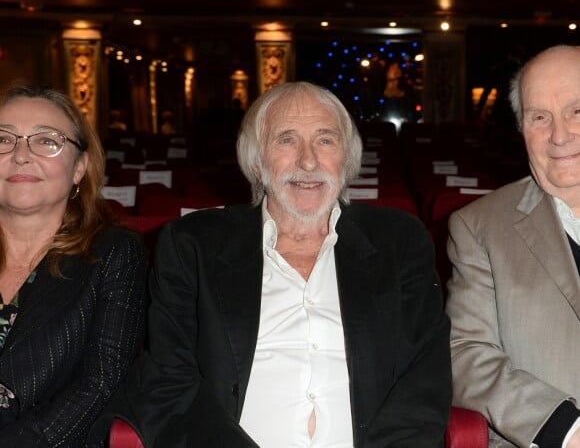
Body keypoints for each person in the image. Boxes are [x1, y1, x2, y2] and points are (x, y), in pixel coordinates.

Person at [96, 81, 452, 447]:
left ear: (347, 158)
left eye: (325, 140)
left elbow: (425, 377)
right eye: (287, 140)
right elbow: (169, 381)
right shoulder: (193, 245)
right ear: (255, 159)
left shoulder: (399, 241)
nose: (308, 161)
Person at [446, 44, 580, 447]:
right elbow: (464, 354)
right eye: (540, 117)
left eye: (577, 111)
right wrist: (566, 429)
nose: (559, 135)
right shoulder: (480, 226)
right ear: (521, 128)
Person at [0, 84, 147, 446]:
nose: (21, 155)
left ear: (79, 167)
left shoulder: (113, 253)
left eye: (47, 141)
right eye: (3, 139)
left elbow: (102, 381)